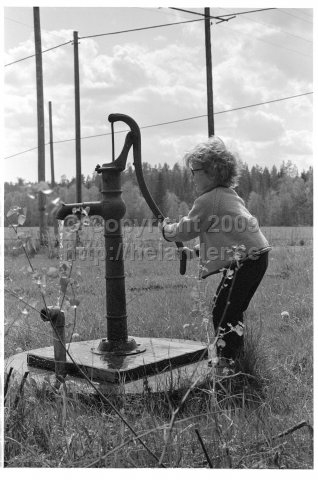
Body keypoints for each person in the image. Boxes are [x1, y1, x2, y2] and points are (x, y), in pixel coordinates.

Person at [160, 137, 271, 367]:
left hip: (246, 261)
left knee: (223, 310)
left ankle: (227, 361)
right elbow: (224, 241)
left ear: (211, 172)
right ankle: (236, 360)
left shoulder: (209, 200)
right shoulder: (228, 195)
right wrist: (193, 254)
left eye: (194, 171)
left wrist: (167, 231)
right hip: (256, 258)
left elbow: (187, 228)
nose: (191, 177)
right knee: (230, 311)